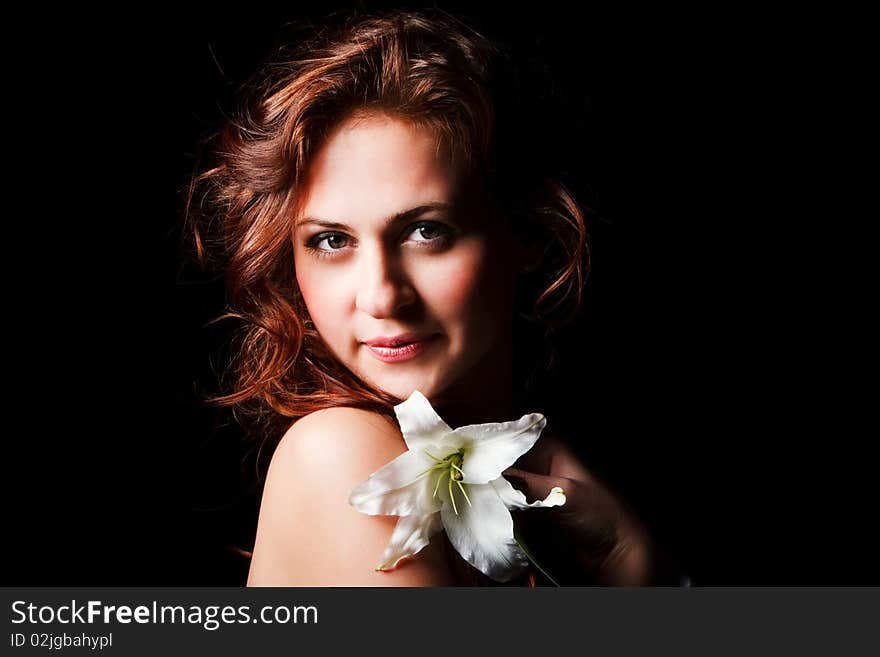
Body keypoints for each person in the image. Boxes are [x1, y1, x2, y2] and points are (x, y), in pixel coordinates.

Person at [184, 7, 656, 586]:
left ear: (526, 232)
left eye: (426, 231)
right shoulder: (339, 453)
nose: (383, 297)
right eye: (332, 240)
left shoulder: (563, 484)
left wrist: (629, 566)